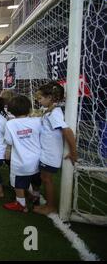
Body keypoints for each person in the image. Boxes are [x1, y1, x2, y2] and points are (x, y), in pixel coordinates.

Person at [34, 82, 77, 215]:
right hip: (46, 152)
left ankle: (51, 206)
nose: (38, 100)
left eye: (41, 98)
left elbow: (67, 131)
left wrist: (73, 152)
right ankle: (48, 203)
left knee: (47, 179)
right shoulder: (50, 111)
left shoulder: (55, 113)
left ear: (50, 98)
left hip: (51, 154)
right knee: (44, 177)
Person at [3, 95, 42, 213]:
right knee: (36, 180)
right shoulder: (37, 121)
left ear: (11, 110)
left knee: (18, 183)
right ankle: (36, 197)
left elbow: (9, 141)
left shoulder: (10, 124)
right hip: (37, 159)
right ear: (29, 108)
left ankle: (21, 204)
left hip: (20, 161)